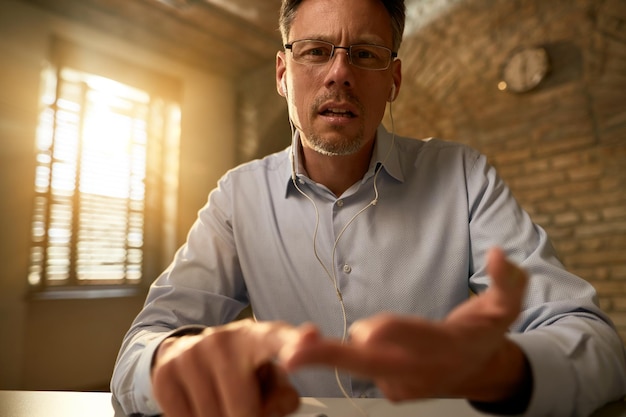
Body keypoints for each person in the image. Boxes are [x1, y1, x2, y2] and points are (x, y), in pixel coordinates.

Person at [111, 0, 626, 416]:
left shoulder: (462, 176)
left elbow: (597, 345)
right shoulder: (237, 196)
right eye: (315, 51)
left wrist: (500, 369)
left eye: (364, 54)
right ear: (282, 74)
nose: (339, 73)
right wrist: (175, 358)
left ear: (394, 80)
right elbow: (136, 355)